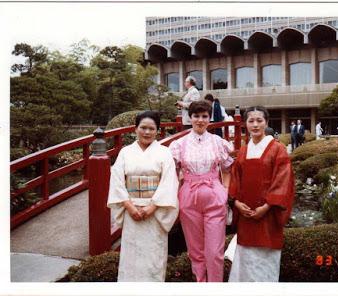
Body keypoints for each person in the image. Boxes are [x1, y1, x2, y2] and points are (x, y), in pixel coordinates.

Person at [107, 111, 179, 282]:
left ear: (157, 131)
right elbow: (117, 180)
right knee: (131, 257)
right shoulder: (125, 152)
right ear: (135, 129)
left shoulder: (164, 152)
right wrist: (130, 207)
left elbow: (169, 182)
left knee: (153, 257)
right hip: (131, 209)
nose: (147, 132)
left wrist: (152, 207)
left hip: (155, 211)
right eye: (143, 128)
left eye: (151, 129)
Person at [228, 106, 295, 282]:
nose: (255, 125)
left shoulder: (277, 149)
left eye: (259, 120)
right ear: (245, 124)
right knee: (246, 257)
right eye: (251, 121)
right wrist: (235, 203)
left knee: (265, 259)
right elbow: (235, 179)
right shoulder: (243, 150)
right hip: (245, 214)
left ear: (266, 122)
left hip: (269, 214)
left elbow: (283, 181)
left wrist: (266, 207)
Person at [169, 100, 234, 282]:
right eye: (196, 116)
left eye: (204, 116)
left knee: (214, 251)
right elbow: (171, 172)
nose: (200, 120)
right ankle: (200, 283)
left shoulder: (218, 142)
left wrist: (225, 191)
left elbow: (228, 168)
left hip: (215, 194)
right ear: (190, 118)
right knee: (195, 250)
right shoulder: (178, 145)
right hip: (189, 196)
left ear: (209, 118)